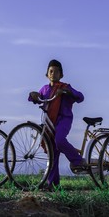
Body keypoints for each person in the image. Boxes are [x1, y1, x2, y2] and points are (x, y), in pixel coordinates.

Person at [29, 59, 87, 190]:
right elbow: (37, 98)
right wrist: (32, 95)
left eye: (56, 72)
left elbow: (80, 97)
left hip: (63, 120)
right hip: (50, 122)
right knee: (52, 152)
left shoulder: (64, 86)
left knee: (59, 140)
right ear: (47, 74)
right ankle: (53, 185)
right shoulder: (44, 89)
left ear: (61, 75)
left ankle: (78, 161)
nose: (53, 74)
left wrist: (67, 92)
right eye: (51, 71)